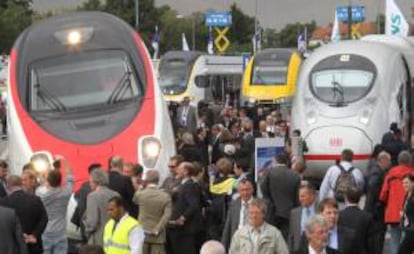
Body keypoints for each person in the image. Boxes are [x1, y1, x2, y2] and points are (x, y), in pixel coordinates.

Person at [0, 175, 48, 254]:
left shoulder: (3, 203)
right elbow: (44, 219)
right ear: (21, 184)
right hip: (33, 245)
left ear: (8, 186)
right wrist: (34, 235)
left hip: (12, 247)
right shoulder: (35, 199)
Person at [36, 157, 74, 254]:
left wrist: (46, 170)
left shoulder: (41, 193)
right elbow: (70, 179)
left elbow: (41, 181)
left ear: (48, 181)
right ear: (61, 180)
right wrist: (64, 161)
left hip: (46, 231)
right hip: (60, 232)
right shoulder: (66, 192)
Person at [379, 151, 413, 254]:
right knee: (409, 242)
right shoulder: (412, 174)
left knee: (394, 241)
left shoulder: (390, 173)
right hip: (409, 214)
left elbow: (383, 194)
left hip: (393, 214)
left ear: (398, 161)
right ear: (409, 161)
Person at [260, 153, 301, 240]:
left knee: (272, 239)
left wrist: (270, 202)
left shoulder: (269, 172)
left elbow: (263, 190)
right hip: (289, 213)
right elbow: (297, 197)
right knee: (286, 239)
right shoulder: (295, 175)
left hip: (272, 212)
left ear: (275, 161)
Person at [133, 169, 172, 254]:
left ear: (146, 180)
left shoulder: (140, 194)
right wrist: (157, 228)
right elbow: (167, 215)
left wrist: (140, 188)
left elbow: (134, 200)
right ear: (158, 180)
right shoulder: (165, 196)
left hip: (142, 232)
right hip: (158, 236)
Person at [168, 162, 202, 254]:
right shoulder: (182, 184)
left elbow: (193, 204)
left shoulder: (190, 185)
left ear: (186, 171)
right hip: (178, 228)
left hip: (185, 229)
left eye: (179, 169)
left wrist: (183, 217)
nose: (177, 171)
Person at [84, 168, 119, 246]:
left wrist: (87, 232)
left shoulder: (92, 196)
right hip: (114, 238)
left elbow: (92, 222)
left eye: (90, 181)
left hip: (98, 239)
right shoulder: (116, 194)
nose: (90, 184)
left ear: (96, 182)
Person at [364, 151, 391, 254]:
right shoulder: (377, 172)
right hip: (375, 210)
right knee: (377, 236)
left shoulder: (373, 169)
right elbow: (372, 185)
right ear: (383, 160)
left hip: (372, 208)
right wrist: (379, 200)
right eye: (388, 161)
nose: (389, 163)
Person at [221, 179, 255, 251]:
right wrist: (223, 247)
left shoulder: (260, 205)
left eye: (247, 189)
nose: (245, 193)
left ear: (252, 190)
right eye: (242, 190)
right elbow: (227, 228)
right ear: (239, 191)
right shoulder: (233, 205)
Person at [338, 187, 374, 254]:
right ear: (359, 199)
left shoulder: (340, 215)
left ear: (346, 198)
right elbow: (370, 241)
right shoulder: (367, 217)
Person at [288, 183, 318, 253]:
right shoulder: (294, 213)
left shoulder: (320, 211)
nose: (300, 199)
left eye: (303, 196)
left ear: (312, 196)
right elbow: (291, 236)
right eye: (299, 196)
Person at [397, 174, 414, 254]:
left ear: (413, 183)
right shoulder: (407, 195)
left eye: (407, 183)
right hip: (409, 229)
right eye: (403, 183)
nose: (404, 185)